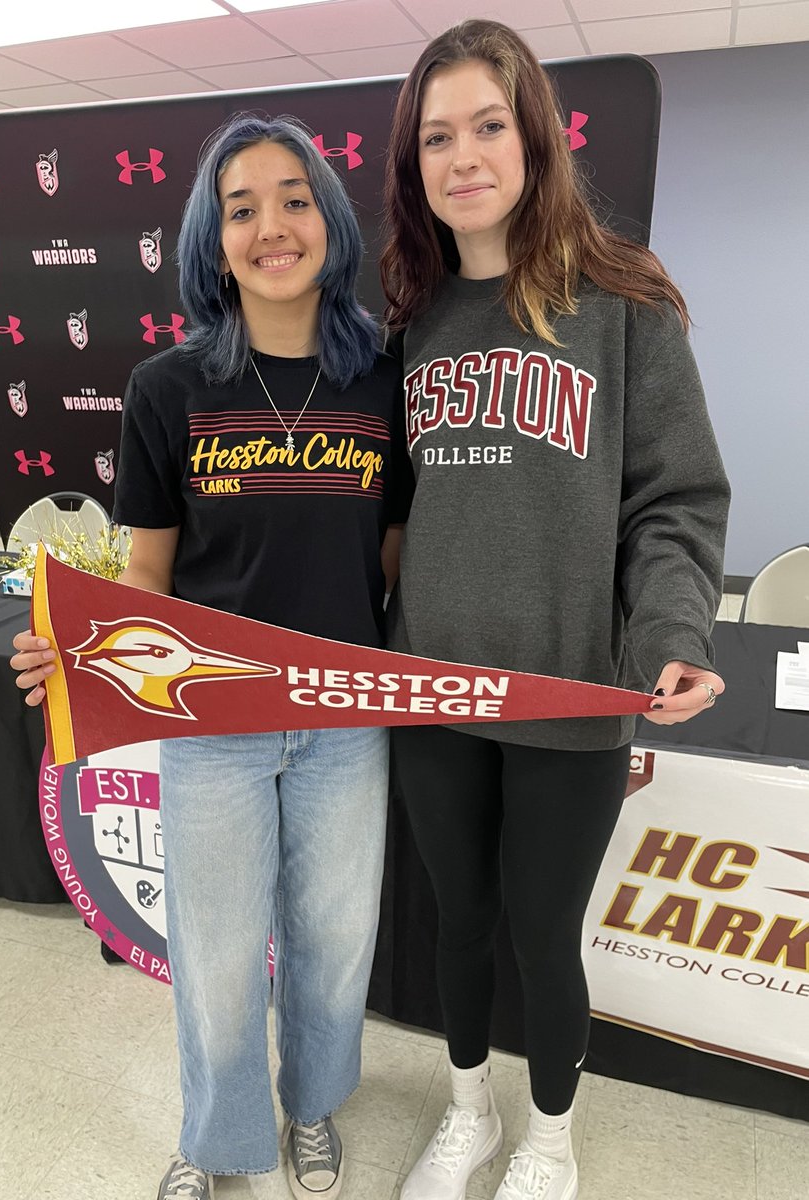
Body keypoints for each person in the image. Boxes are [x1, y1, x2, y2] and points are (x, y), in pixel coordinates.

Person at [11, 113, 413, 1200]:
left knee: (333, 941)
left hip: (343, 717)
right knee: (221, 952)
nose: (272, 226)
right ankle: (219, 1132)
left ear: (328, 222)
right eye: (242, 209)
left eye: (294, 200)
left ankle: (313, 1108)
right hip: (209, 722)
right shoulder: (167, 388)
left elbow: (390, 561)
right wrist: (79, 653)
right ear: (213, 238)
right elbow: (148, 580)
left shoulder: (385, 378)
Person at [379, 20, 730, 1200]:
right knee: (457, 927)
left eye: (488, 126)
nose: (463, 155)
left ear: (536, 140)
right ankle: (469, 1109)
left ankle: (548, 1135)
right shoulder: (407, 321)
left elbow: (674, 503)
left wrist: (672, 637)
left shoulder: (623, 305)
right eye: (437, 135)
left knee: (543, 937)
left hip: (569, 698)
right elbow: (389, 513)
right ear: (412, 162)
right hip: (434, 695)